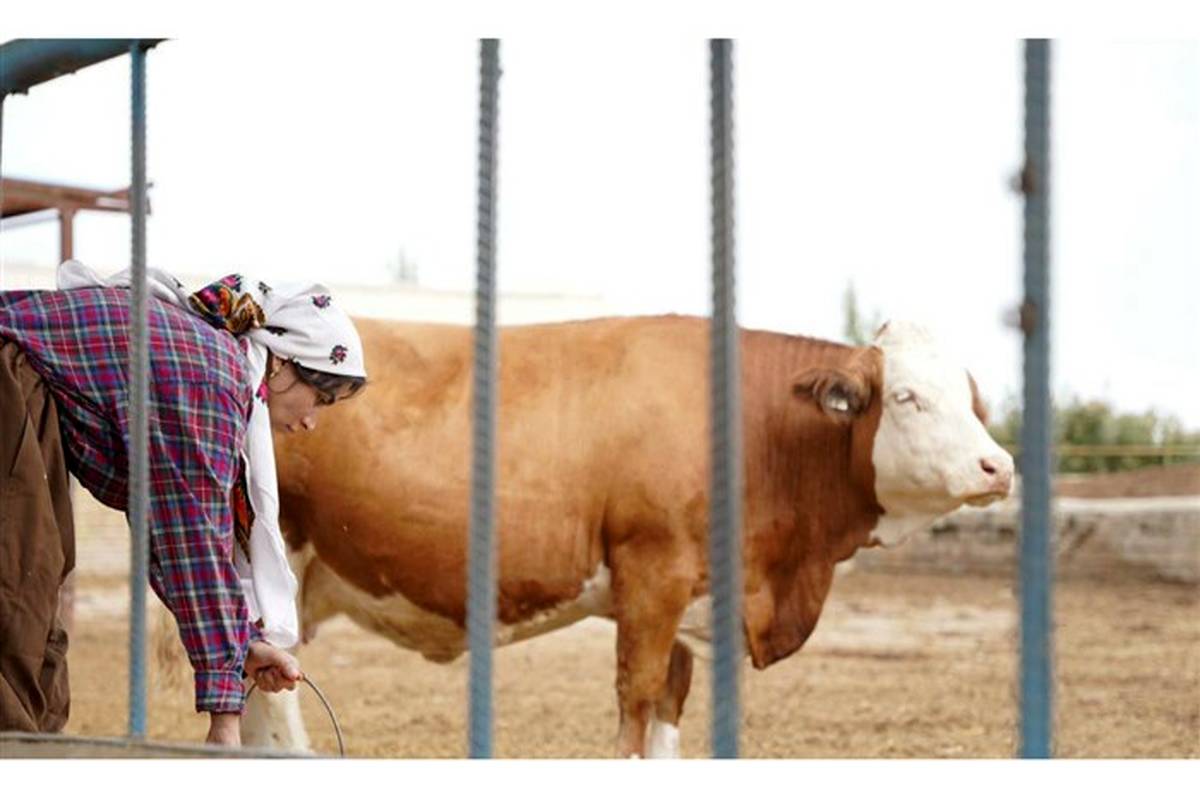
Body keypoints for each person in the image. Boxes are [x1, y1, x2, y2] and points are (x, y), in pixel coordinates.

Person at [0, 261, 366, 746]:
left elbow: (176, 533)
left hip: (25, 395)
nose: (311, 422)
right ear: (281, 363)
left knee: (32, 611)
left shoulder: (211, 363)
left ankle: (34, 761)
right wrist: (225, 719)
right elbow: (191, 540)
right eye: (320, 398)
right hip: (9, 385)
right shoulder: (208, 376)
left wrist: (243, 644)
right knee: (14, 607)